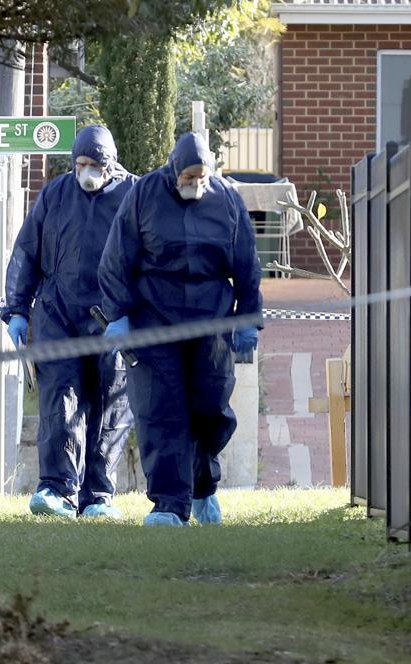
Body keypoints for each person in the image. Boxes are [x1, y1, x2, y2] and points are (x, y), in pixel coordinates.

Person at [97, 132, 262, 527]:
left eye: (201, 176)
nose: (195, 183)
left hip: (211, 321)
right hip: (155, 321)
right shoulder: (145, 196)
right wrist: (117, 315)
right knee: (161, 410)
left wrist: (248, 319)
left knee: (210, 407)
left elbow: (246, 263)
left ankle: (203, 486)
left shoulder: (226, 200)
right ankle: (169, 505)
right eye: (188, 176)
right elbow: (117, 257)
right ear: (173, 171)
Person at [2, 125, 137, 520]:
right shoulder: (56, 194)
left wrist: (135, 316)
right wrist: (16, 310)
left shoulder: (133, 195)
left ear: (110, 164)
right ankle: (57, 487)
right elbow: (26, 251)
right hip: (57, 316)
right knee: (59, 399)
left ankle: (97, 495)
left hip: (111, 319)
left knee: (109, 406)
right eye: (80, 164)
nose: (87, 172)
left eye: (94, 165)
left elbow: (151, 259)